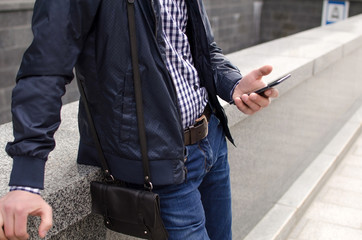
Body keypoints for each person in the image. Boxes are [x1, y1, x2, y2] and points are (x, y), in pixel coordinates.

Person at [0, 0, 278, 239]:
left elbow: (199, 49)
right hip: (161, 161)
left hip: (211, 140)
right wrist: (25, 180)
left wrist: (232, 84)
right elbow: (45, 67)